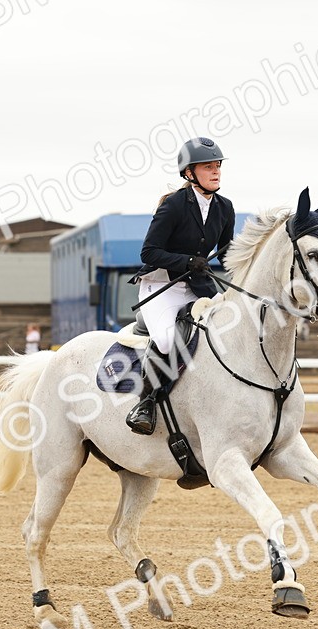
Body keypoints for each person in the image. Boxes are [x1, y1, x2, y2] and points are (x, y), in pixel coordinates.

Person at [126, 137, 235, 435]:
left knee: (231, 329)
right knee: (166, 340)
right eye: (208, 167)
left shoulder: (225, 208)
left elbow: (227, 255)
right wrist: (187, 261)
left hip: (198, 287)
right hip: (160, 286)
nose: (216, 172)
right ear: (189, 173)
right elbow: (148, 253)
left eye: (218, 166)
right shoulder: (174, 206)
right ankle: (145, 403)